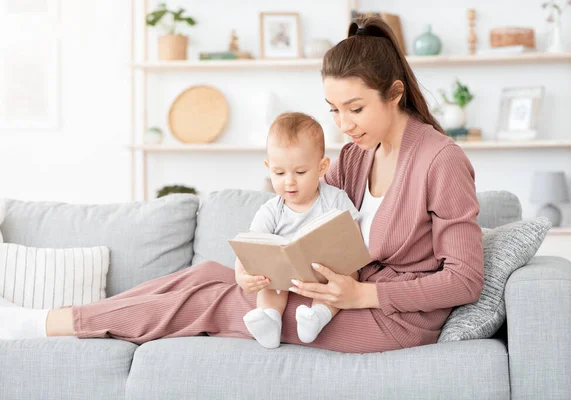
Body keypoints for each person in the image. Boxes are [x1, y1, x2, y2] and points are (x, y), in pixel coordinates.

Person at [0, 17, 484, 354]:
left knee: (209, 300)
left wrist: (363, 297)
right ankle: (61, 315)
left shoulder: (441, 159)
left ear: (395, 93)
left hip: (389, 319)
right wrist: (255, 264)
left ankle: (44, 326)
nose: (344, 125)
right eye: (333, 110)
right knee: (208, 273)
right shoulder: (358, 155)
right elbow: (300, 207)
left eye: (355, 109)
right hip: (336, 297)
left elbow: (465, 279)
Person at [238, 111, 361, 349]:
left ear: (322, 166)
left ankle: (318, 316)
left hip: (325, 272)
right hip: (286, 278)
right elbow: (249, 248)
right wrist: (243, 276)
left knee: (347, 275)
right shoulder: (271, 210)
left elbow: (353, 237)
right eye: (279, 173)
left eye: (300, 172)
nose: (289, 182)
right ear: (268, 167)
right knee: (268, 281)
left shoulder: (335, 199)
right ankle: (269, 319)